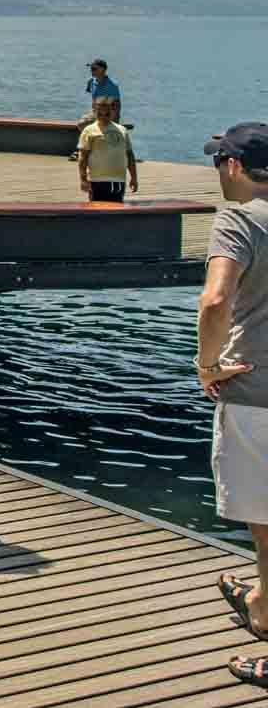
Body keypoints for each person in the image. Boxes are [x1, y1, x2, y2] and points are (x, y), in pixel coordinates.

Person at [193, 124, 268, 688]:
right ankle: (261, 598)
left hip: (257, 392)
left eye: (219, 162)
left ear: (235, 167)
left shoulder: (241, 218)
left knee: (265, 521)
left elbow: (216, 299)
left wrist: (207, 364)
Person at [78, 96, 139, 202]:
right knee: (96, 211)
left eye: (107, 114)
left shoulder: (122, 130)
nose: (103, 117)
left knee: (116, 211)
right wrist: (83, 179)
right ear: (94, 111)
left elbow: (129, 156)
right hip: (96, 181)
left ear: (113, 111)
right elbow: (83, 157)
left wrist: (134, 178)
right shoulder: (89, 130)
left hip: (118, 181)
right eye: (99, 114)